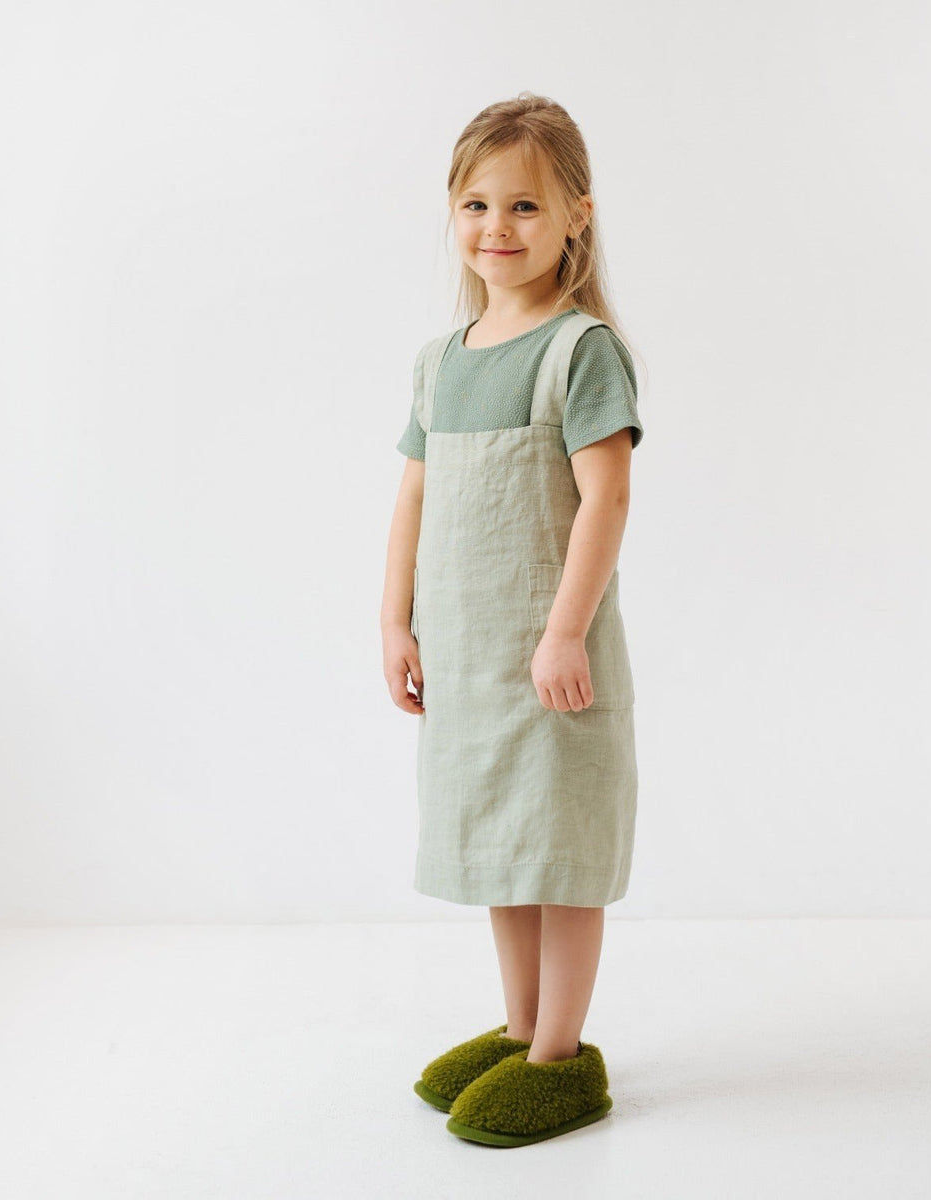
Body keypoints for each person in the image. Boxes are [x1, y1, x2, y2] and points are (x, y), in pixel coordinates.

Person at [379, 92, 645, 1147]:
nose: (498, 227)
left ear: (576, 214)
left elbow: (607, 498)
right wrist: (395, 622)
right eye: (477, 204)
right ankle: (520, 1024)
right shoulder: (441, 360)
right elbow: (412, 494)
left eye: (526, 205)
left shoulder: (579, 352)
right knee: (501, 846)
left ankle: (562, 1056)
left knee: (559, 847)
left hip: (548, 664)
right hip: (468, 659)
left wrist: (566, 629)